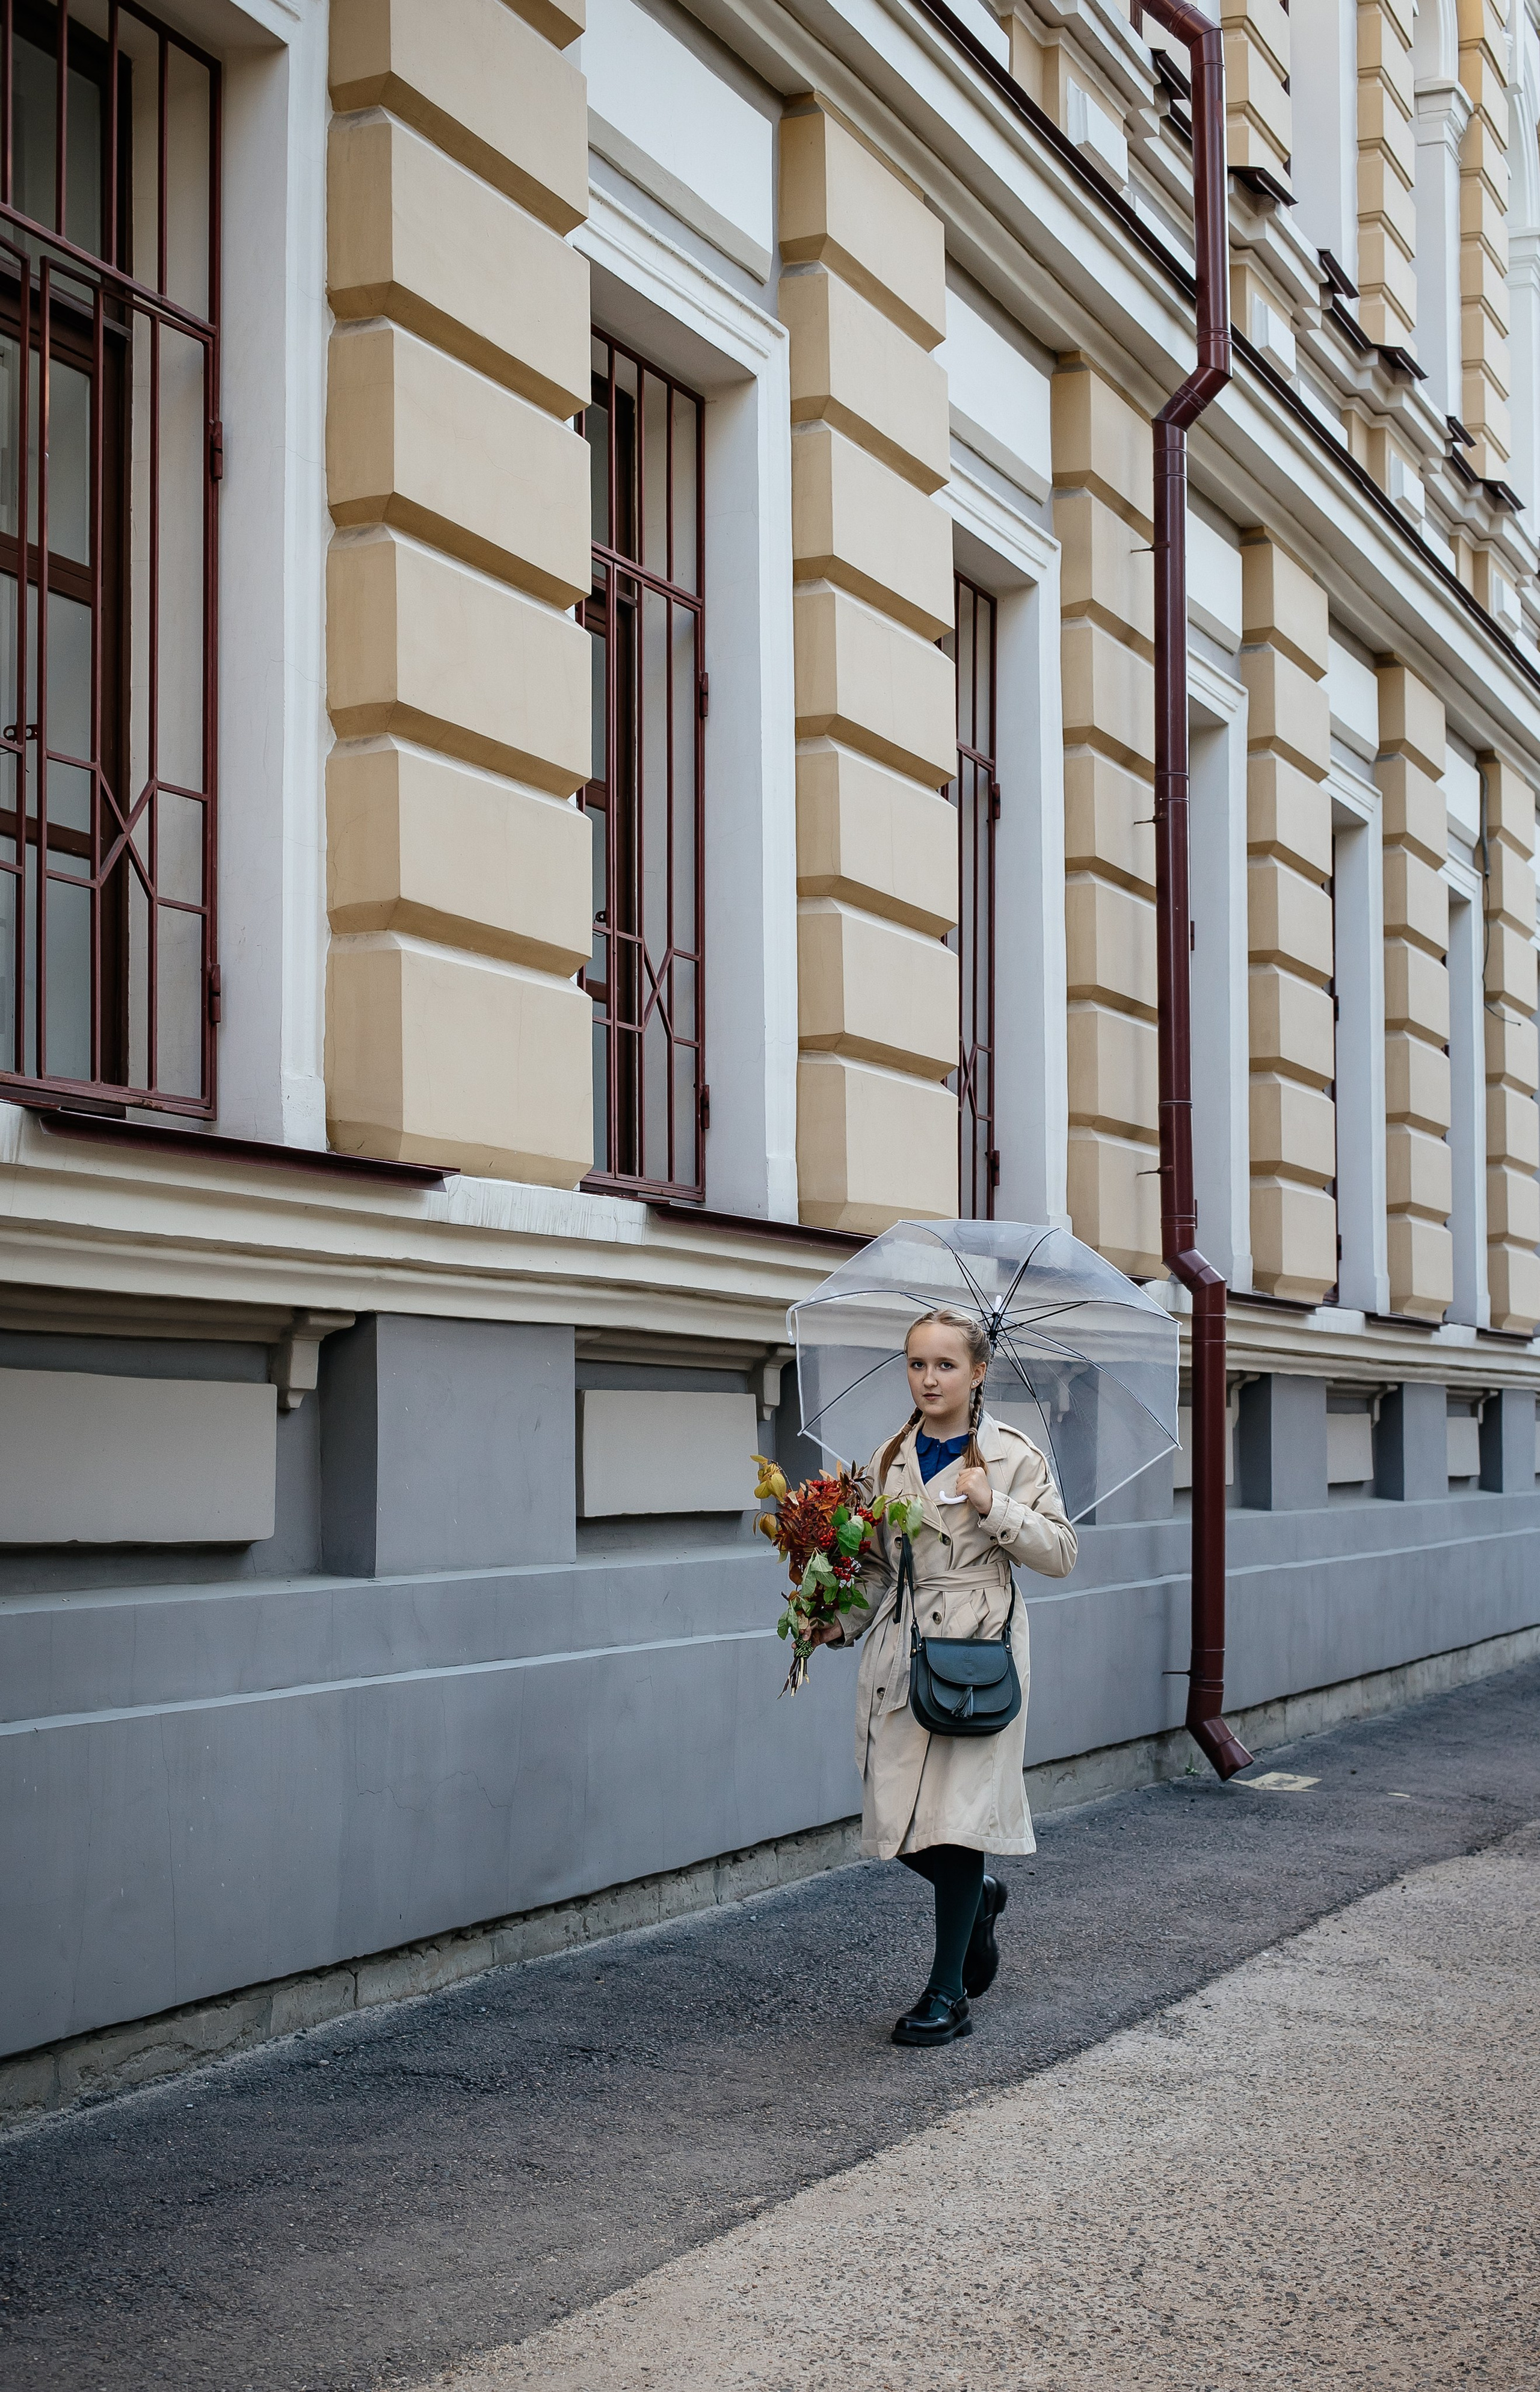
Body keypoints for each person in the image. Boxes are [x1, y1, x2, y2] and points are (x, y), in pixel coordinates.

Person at [808, 1306, 1077, 2045]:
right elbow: (871, 1567)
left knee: (955, 1822)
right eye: (917, 1363)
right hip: (904, 1645)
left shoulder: (1011, 1454)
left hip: (979, 1651)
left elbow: (1060, 1552)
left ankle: (946, 1992)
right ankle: (979, 1898)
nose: (929, 1378)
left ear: (978, 1372)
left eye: (945, 1364)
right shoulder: (888, 1454)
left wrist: (996, 1507)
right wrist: (836, 1622)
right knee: (896, 1818)